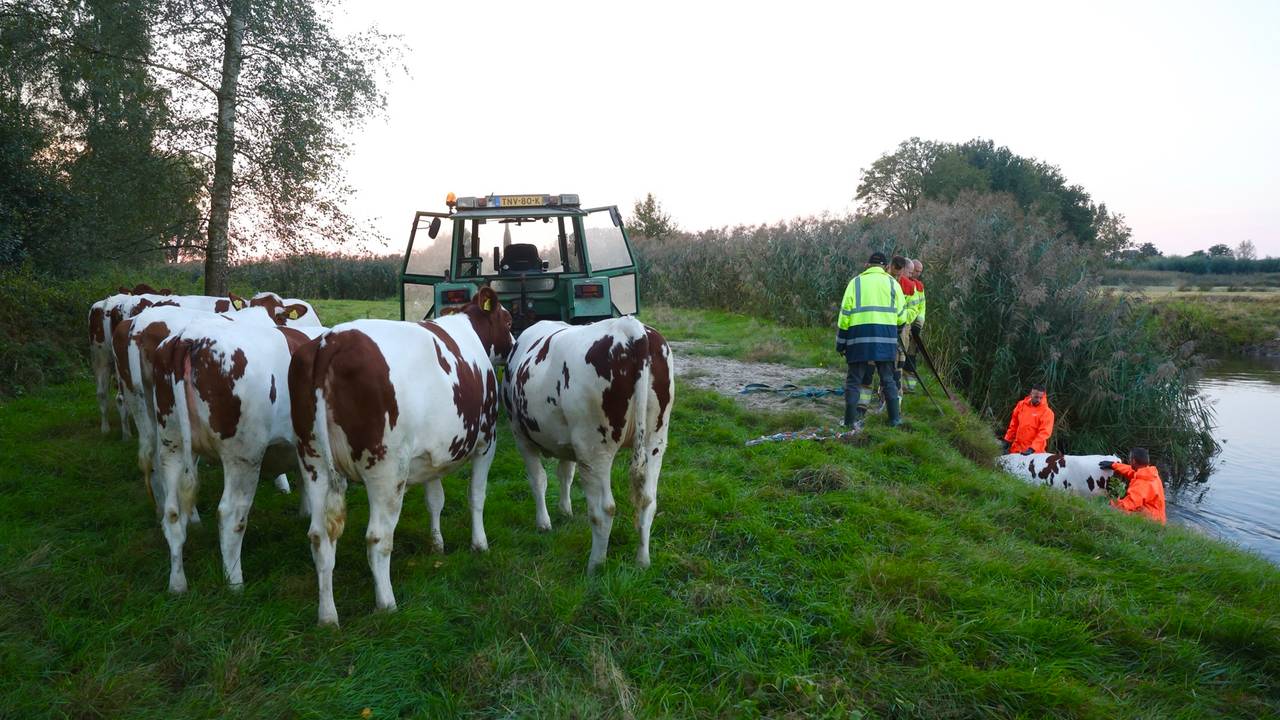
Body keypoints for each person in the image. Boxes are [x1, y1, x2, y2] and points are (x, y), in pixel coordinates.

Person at [836, 252, 915, 428]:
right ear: (885, 266)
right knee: (888, 379)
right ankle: (894, 420)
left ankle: (849, 422)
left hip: (858, 341)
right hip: (885, 341)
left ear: (867, 265)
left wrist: (840, 344)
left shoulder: (854, 283)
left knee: (854, 381)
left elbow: (844, 317)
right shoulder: (893, 284)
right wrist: (894, 333)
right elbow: (902, 317)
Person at [1100, 448, 1167, 524]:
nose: (1129, 461)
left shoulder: (1141, 484)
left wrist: (1110, 504)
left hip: (1152, 521)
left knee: (1115, 510)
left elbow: (1128, 504)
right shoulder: (1150, 473)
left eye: (1130, 459)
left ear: (1133, 461)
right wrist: (1113, 465)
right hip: (1158, 516)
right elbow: (1131, 471)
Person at [1003, 383, 1054, 454]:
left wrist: (1032, 449)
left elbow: (1044, 433)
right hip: (1016, 449)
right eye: (1036, 397)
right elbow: (1013, 425)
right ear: (1031, 394)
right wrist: (1007, 441)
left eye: (1041, 398)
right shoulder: (1021, 405)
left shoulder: (1047, 412)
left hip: (1035, 454)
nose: (1039, 400)